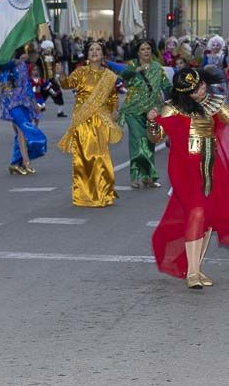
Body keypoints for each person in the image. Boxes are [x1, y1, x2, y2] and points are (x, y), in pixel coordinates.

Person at [147, 68, 229, 289]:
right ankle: (192, 272)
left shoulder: (215, 102)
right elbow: (156, 138)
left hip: (211, 166)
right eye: (196, 89)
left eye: (202, 85)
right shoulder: (171, 108)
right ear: (185, 93)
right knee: (197, 211)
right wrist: (153, 122)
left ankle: (196, 268)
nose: (202, 90)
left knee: (208, 217)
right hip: (184, 168)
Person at [58, 40, 122, 208]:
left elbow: (113, 97)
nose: (94, 52)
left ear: (103, 55)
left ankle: (104, 193)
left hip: (101, 120)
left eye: (98, 49)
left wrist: (115, 110)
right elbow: (66, 85)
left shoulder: (109, 76)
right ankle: (84, 195)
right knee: (84, 157)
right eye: (91, 49)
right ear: (87, 54)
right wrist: (61, 75)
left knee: (101, 156)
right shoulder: (80, 72)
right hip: (82, 120)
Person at [118, 39, 170, 190]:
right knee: (137, 141)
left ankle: (148, 177)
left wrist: (179, 94)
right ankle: (135, 176)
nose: (146, 51)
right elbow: (124, 76)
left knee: (149, 142)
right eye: (142, 49)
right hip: (133, 111)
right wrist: (137, 70)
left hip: (152, 111)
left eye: (148, 48)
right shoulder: (132, 65)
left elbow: (166, 85)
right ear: (138, 52)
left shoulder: (157, 67)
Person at [0, 54, 47, 176]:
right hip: (12, 102)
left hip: (24, 102)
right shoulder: (4, 62)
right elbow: (2, 77)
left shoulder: (23, 65)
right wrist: (13, 64)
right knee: (23, 129)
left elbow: (27, 85)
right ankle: (26, 162)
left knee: (20, 133)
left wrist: (35, 103)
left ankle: (15, 163)